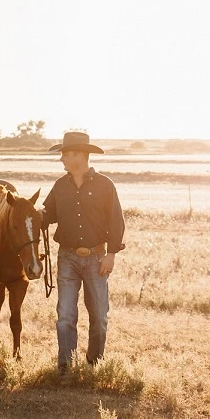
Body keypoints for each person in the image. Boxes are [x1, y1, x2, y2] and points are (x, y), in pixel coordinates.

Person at [42, 131, 125, 373]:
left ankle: (94, 362)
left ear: (80, 155)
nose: (62, 160)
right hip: (67, 257)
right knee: (65, 314)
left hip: (97, 257)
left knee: (99, 315)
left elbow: (116, 221)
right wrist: (35, 214)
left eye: (66, 155)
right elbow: (49, 214)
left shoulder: (105, 185)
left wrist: (111, 254)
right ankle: (66, 365)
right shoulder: (60, 185)